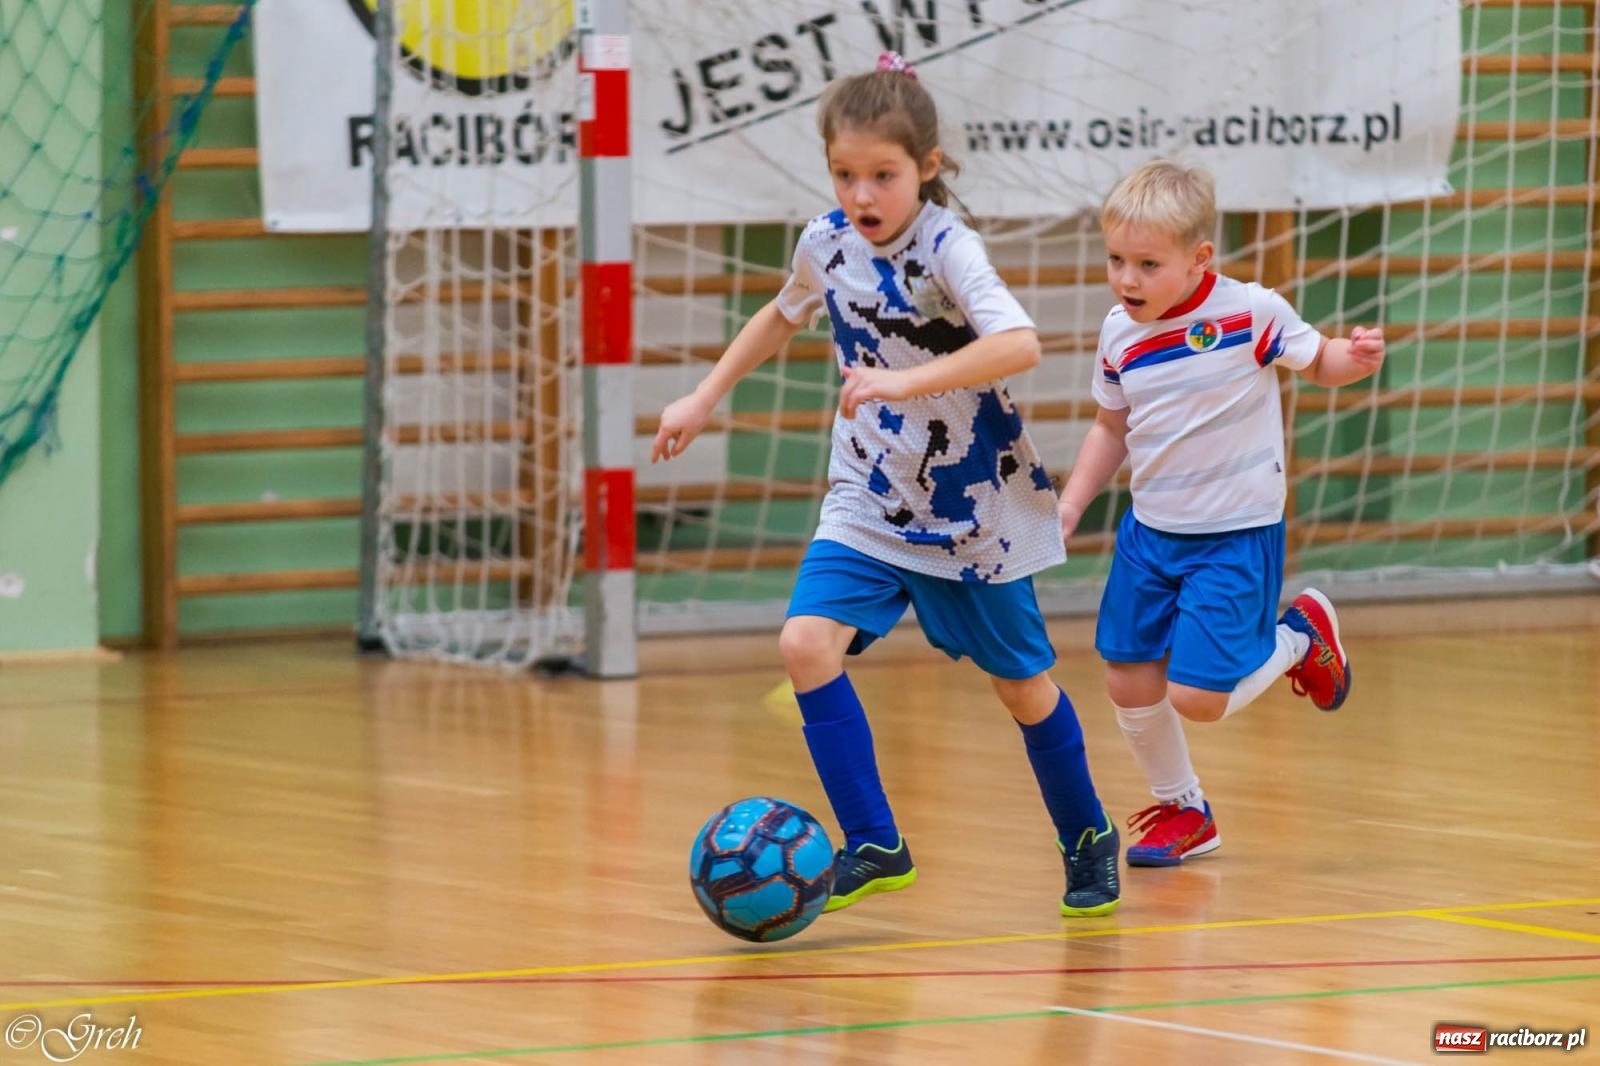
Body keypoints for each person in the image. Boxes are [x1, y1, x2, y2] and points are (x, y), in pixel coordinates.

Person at [652, 52, 1119, 917]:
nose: (862, 196)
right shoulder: (825, 241)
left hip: (969, 506)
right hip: (867, 492)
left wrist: (902, 383)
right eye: (844, 174)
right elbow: (782, 310)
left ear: (927, 169)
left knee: (1021, 688)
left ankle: (1087, 834)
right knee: (803, 645)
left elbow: (1019, 344)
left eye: (883, 177)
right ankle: (875, 840)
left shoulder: (949, 246)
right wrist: (704, 395)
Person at [1058, 159, 1384, 867]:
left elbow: (1317, 359)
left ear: (1199, 257)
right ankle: (1186, 812)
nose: (1127, 279)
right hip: (1150, 534)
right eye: (1116, 260)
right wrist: (1071, 502)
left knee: (1199, 699)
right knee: (1127, 676)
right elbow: (1110, 428)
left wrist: (1348, 359)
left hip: (1234, 534)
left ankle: (1301, 636)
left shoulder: (1250, 312)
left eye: (1148, 264)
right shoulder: (1119, 333)